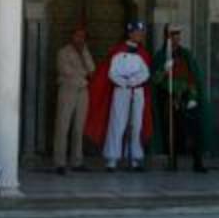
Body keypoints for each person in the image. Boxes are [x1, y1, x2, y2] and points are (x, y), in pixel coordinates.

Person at [86, 22, 153, 172]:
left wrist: (134, 81)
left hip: (137, 92)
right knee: (118, 122)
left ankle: (135, 158)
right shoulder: (118, 51)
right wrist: (124, 82)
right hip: (121, 91)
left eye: (141, 33)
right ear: (130, 34)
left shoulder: (143, 53)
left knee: (136, 125)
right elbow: (111, 72)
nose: (140, 35)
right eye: (137, 32)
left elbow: (146, 73)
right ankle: (112, 159)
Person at [151, 25, 211, 173]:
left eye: (178, 35)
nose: (176, 39)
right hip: (169, 98)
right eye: (173, 35)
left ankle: (197, 162)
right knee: (172, 131)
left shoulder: (186, 55)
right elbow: (155, 80)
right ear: (167, 37)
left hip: (186, 98)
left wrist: (193, 96)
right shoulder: (161, 56)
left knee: (193, 130)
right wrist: (164, 69)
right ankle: (173, 162)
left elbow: (193, 77)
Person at [52, 26, 96, 174]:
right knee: (63, 127)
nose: (80, 39)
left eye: (83, 37)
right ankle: (60, 163)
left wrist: (84, 57)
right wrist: (83, 73)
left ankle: (77, 161)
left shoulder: (85, 52)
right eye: (78, 36)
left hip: (82, 92)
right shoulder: (63, 52)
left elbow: (92, 70)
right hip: (68, 90)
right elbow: (66, 70)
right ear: (72, 37)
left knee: (79, 128)